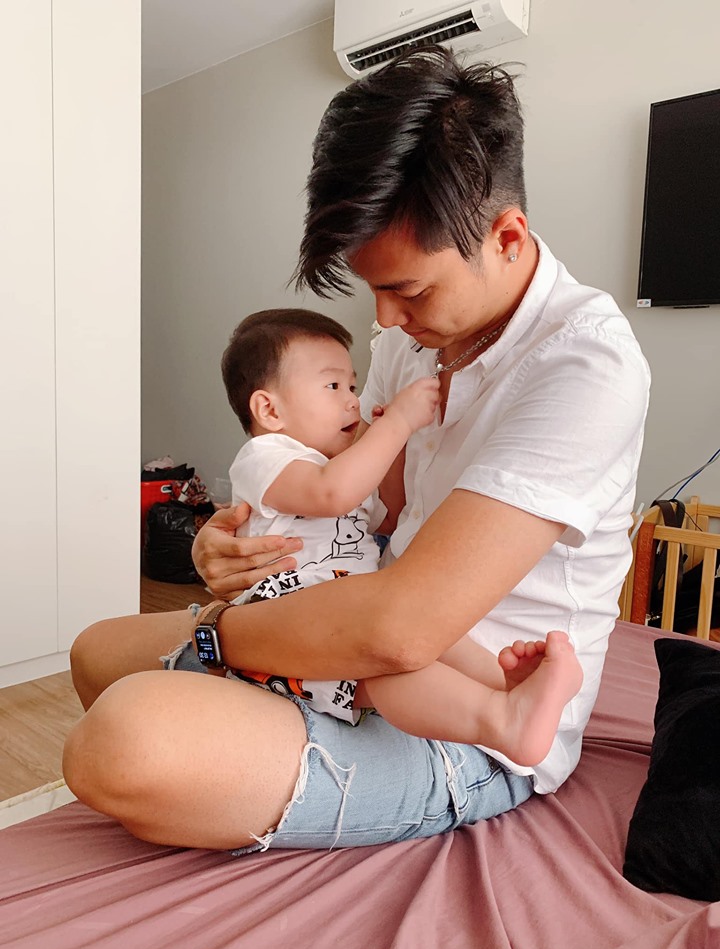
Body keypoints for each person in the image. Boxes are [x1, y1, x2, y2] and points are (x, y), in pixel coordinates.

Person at [65, 45, 650, 855]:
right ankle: (252, 712)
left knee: (122, 742)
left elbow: (404, 629)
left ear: (507, 237)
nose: (386, 319)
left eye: (408, 289)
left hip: (466, 712)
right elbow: (367, 505)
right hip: (355, 628)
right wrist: (227, 546)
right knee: (97, 652)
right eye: (371, 287)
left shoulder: (586, 366)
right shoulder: (409, 342)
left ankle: (254, 717)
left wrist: (223, 634)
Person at [211, 306, 582, 763]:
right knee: (386, 673)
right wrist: (395, 425)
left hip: (356, 602)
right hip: (293, 616)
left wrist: (396, 444)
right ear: (269, 409)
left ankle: (510, 684)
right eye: (333, 387)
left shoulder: (336, 463)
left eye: (352, 387)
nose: (352, 401)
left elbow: (387, 512)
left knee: (433, 631)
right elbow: (332, 494)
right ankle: (500, 719)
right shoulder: (266, 456)